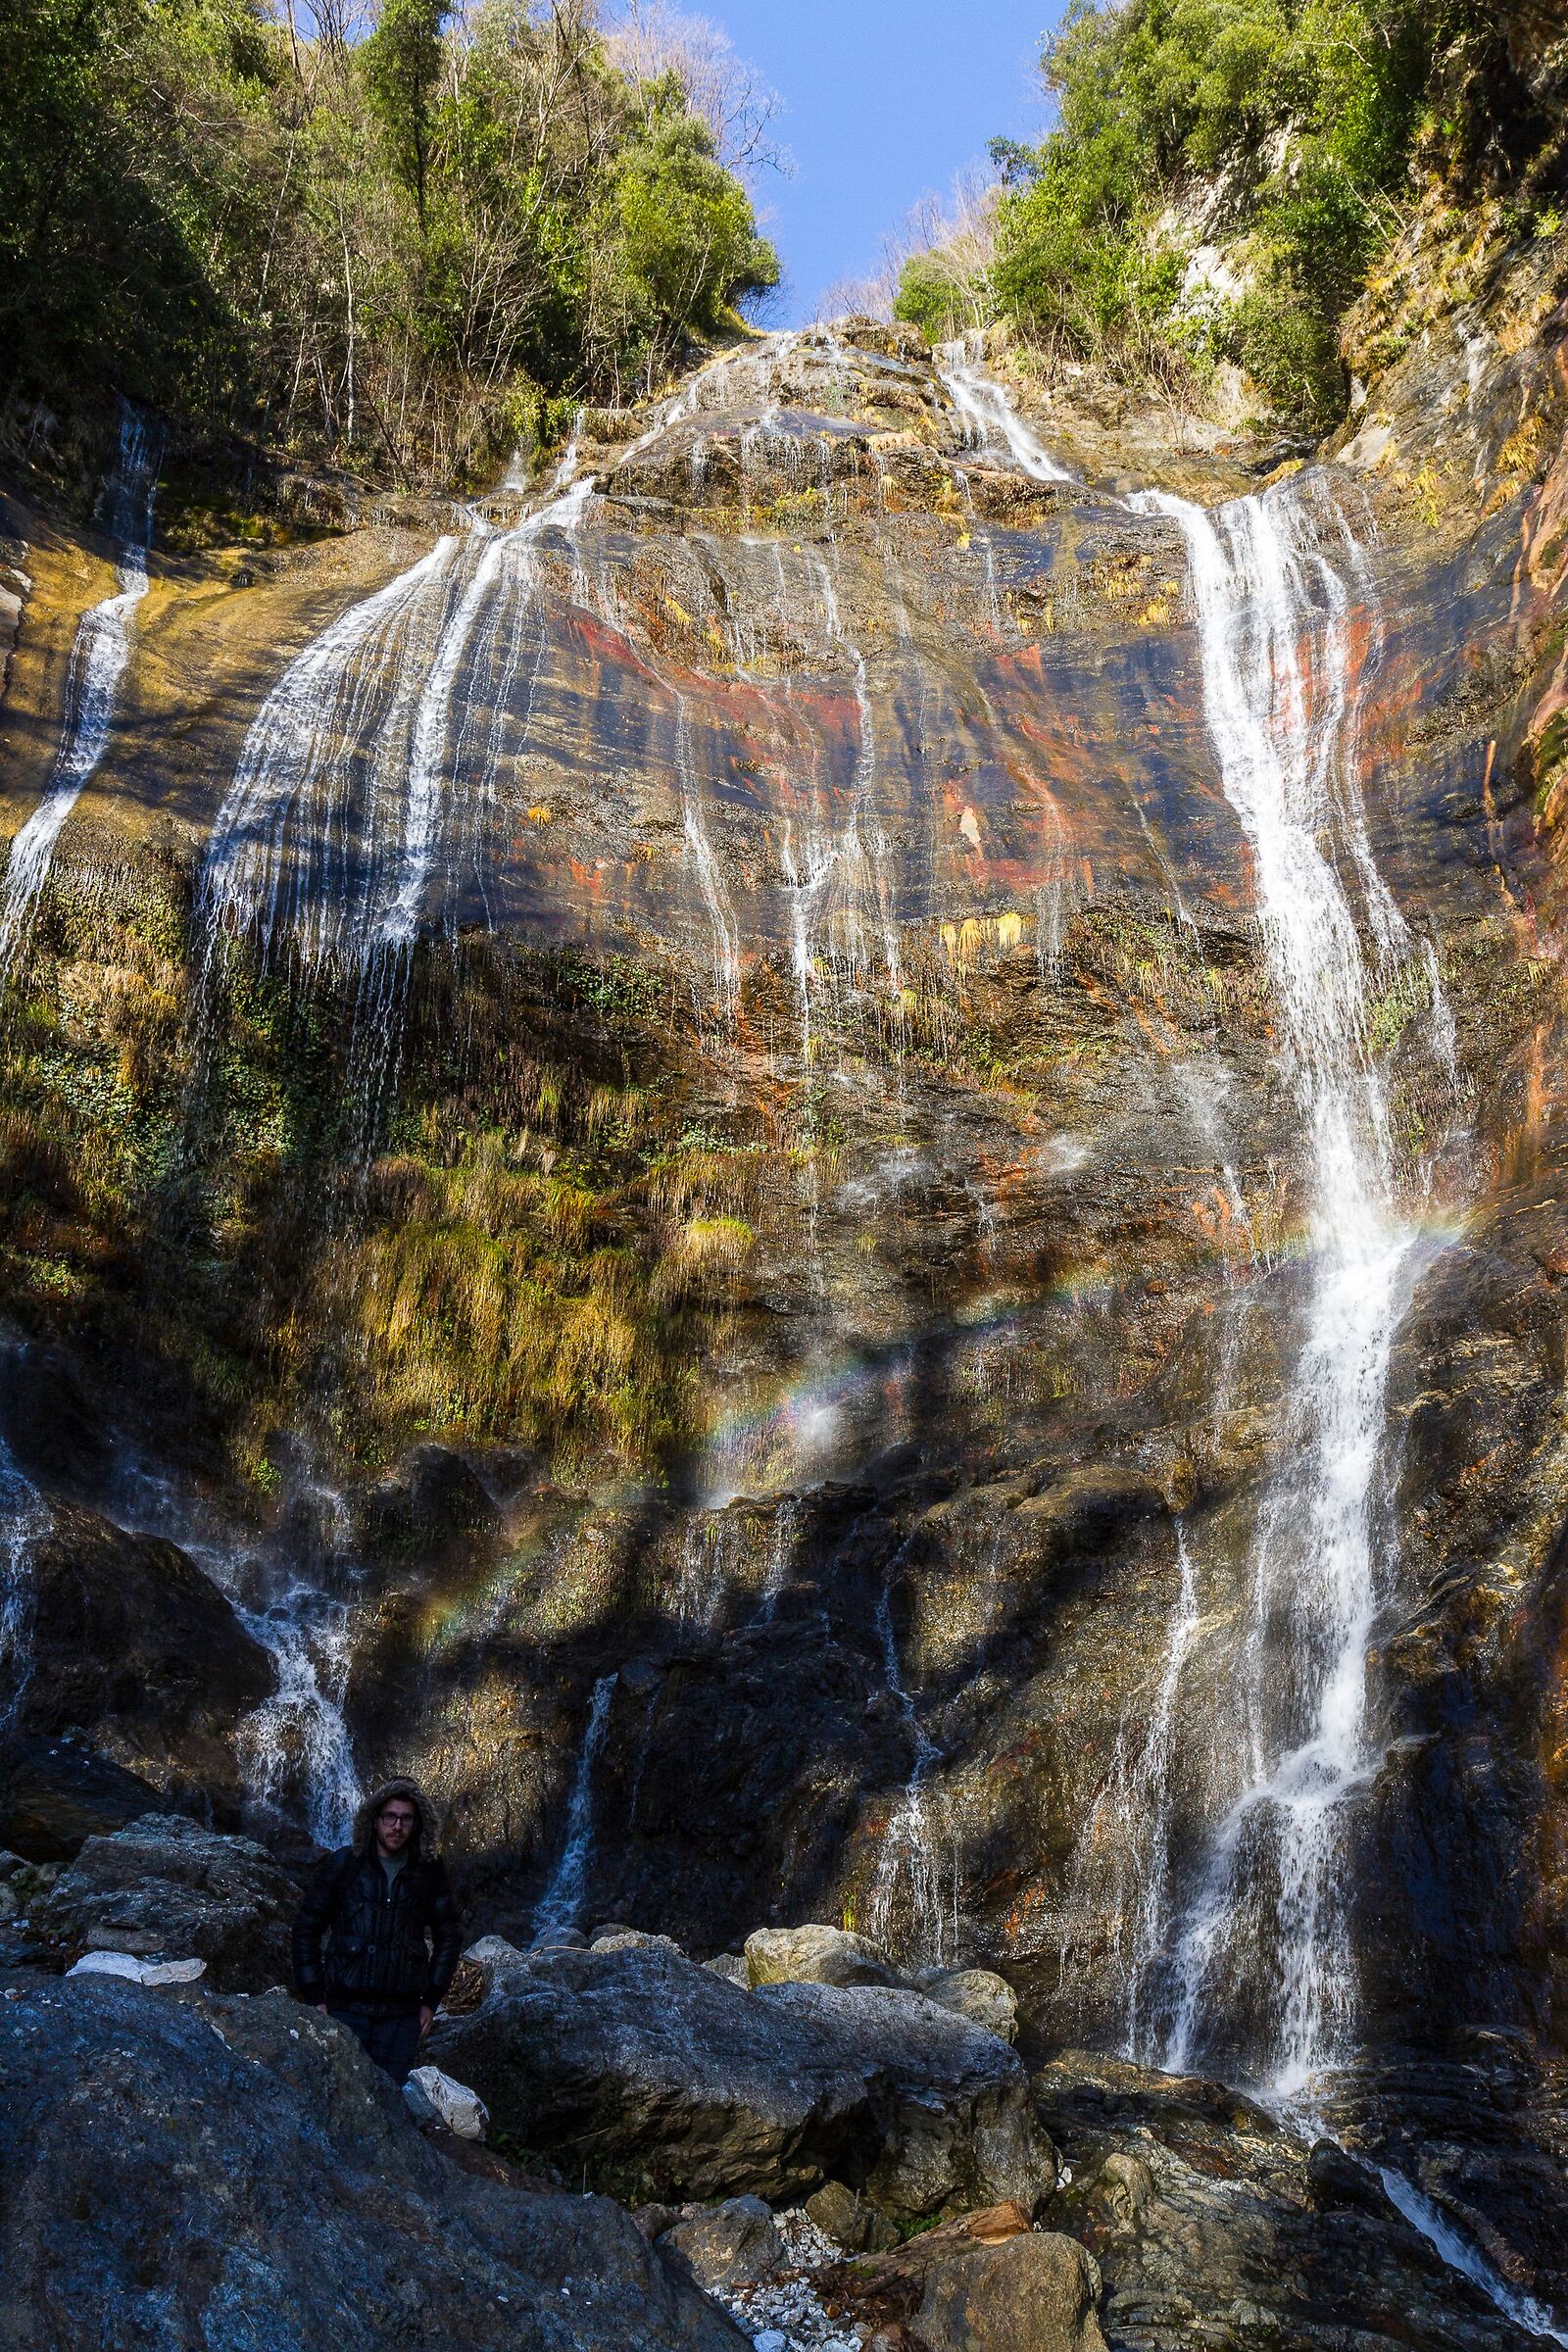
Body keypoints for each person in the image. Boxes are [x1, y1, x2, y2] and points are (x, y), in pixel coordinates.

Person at [291, 1777, 463, 2085]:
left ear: (417, 1823)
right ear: (375, 1820)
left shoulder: (428, 1872)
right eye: (390, 1817)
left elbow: (449, 1937)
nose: (397, 1826)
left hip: (401, 2018)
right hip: (344, 2011)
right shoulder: (344, 1864)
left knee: (391, 2104)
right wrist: (314, 1996)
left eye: (406, 1818)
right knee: (343, 2101)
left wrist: (431, 2001)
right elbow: (306, 1929)